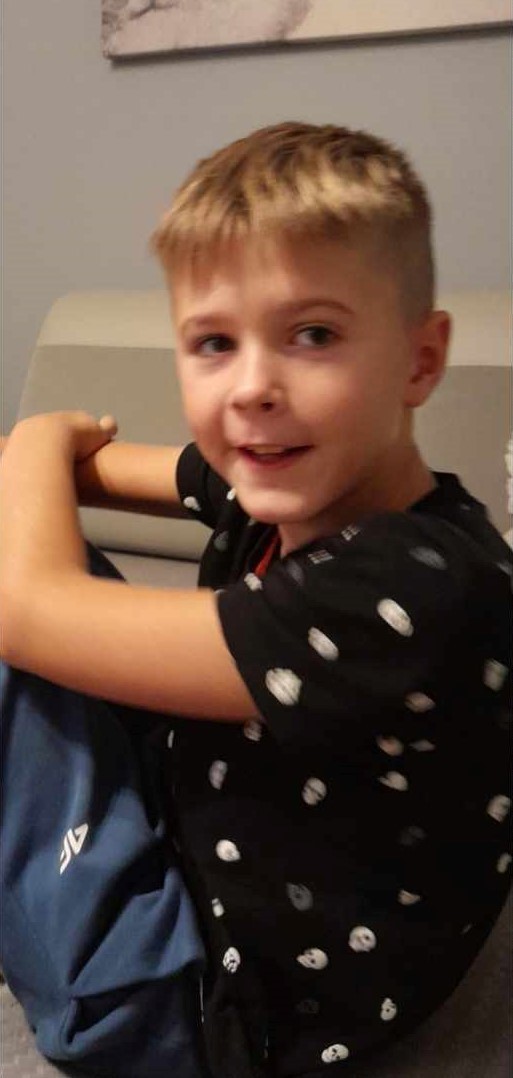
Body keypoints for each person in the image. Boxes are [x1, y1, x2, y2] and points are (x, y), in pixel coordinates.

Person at [1, 122, 511, 1077]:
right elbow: (106, 474)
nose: (251, 389)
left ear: (419, 358)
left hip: (190, 1002)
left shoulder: (410, 587)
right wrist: (38, 462)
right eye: (212, 342)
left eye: (312, 335)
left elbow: (25, 610)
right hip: (198, 828)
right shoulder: (299, 481)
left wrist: (34, 437)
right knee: (45, 553)